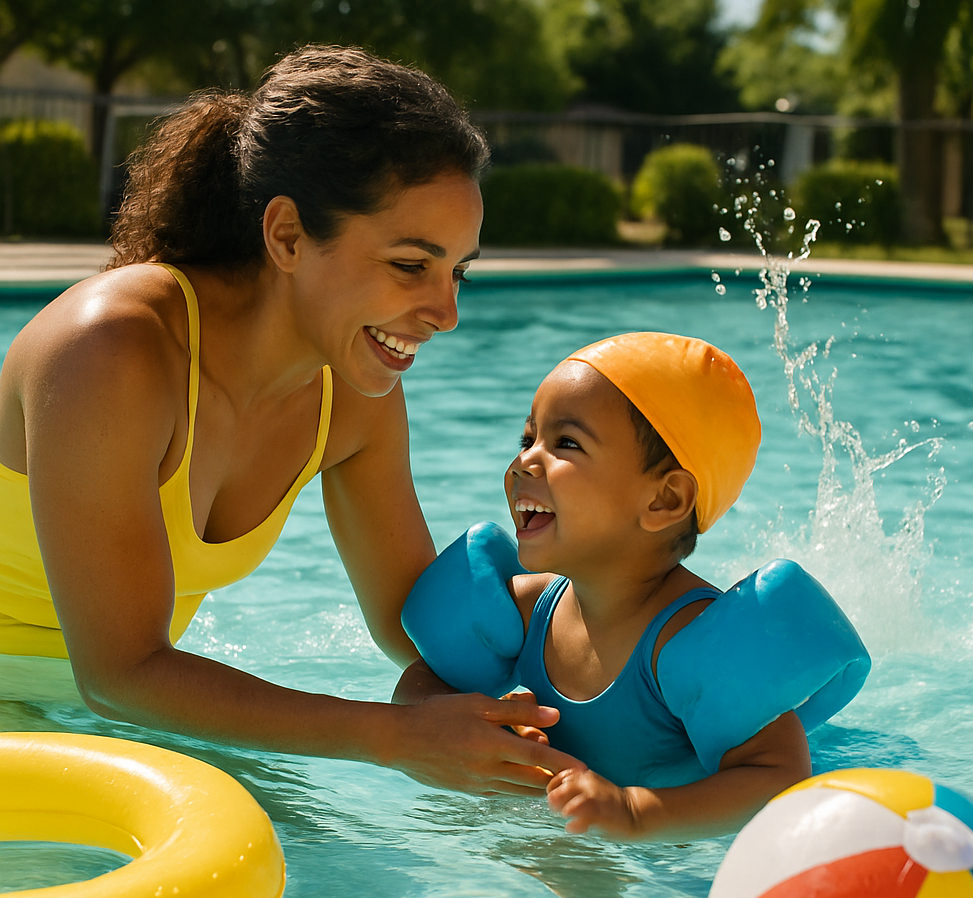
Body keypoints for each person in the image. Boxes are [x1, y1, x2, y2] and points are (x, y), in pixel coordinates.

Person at [0, 45, 583, 794]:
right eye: (412, 265)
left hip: (112, 722)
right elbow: (120, 671)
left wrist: (604, 627)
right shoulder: (110, 352)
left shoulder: (354, 391)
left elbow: (416, 627)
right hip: (98, 703)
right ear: (286, 236)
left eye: (458, 272)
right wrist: (395, 735)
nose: (446, 313)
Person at [396, 332, 871, 839]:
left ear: (664, 500)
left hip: (688, 856)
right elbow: (418, 692)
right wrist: (483, 723)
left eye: (567, 443)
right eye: (527, 439)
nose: (524, 463)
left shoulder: (691, 644)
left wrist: (636, 812)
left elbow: (777, 782)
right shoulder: (525, 609)